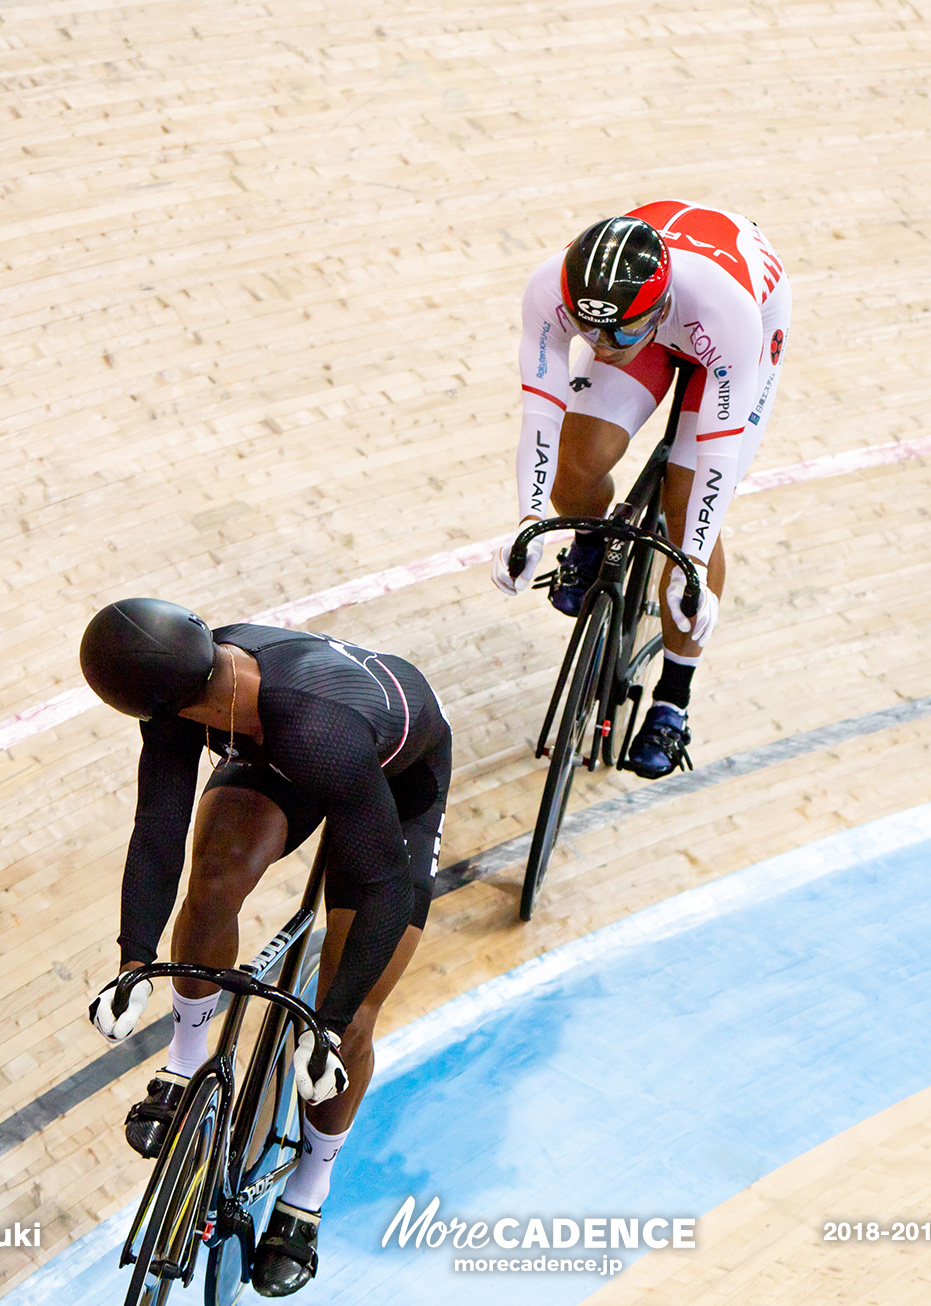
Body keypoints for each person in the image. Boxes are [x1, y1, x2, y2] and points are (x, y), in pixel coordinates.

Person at [78, 597, 451, 1297]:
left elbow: (381, 887)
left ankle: (307, 1195)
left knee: (355, 1014)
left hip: (389, 780)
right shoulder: (177, 687)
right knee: (215, 879)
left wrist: (330, 1025)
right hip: (276, 748)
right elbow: (157, 828)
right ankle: (186, 1066)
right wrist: (134, 961)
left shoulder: (315, 726)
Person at [492, 202, 791, 776]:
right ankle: (589, 544)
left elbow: (717, 457)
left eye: (620, 331)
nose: (603, 345)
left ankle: (672, 701)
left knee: (686, 503)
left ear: (654, 307)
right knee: (577, 462)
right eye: (590, 330)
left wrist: (694, 562)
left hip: (733, 334)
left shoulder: (722, 309)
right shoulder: (553, 291)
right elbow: (540, 417)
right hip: (656, 319)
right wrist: (531, 523)